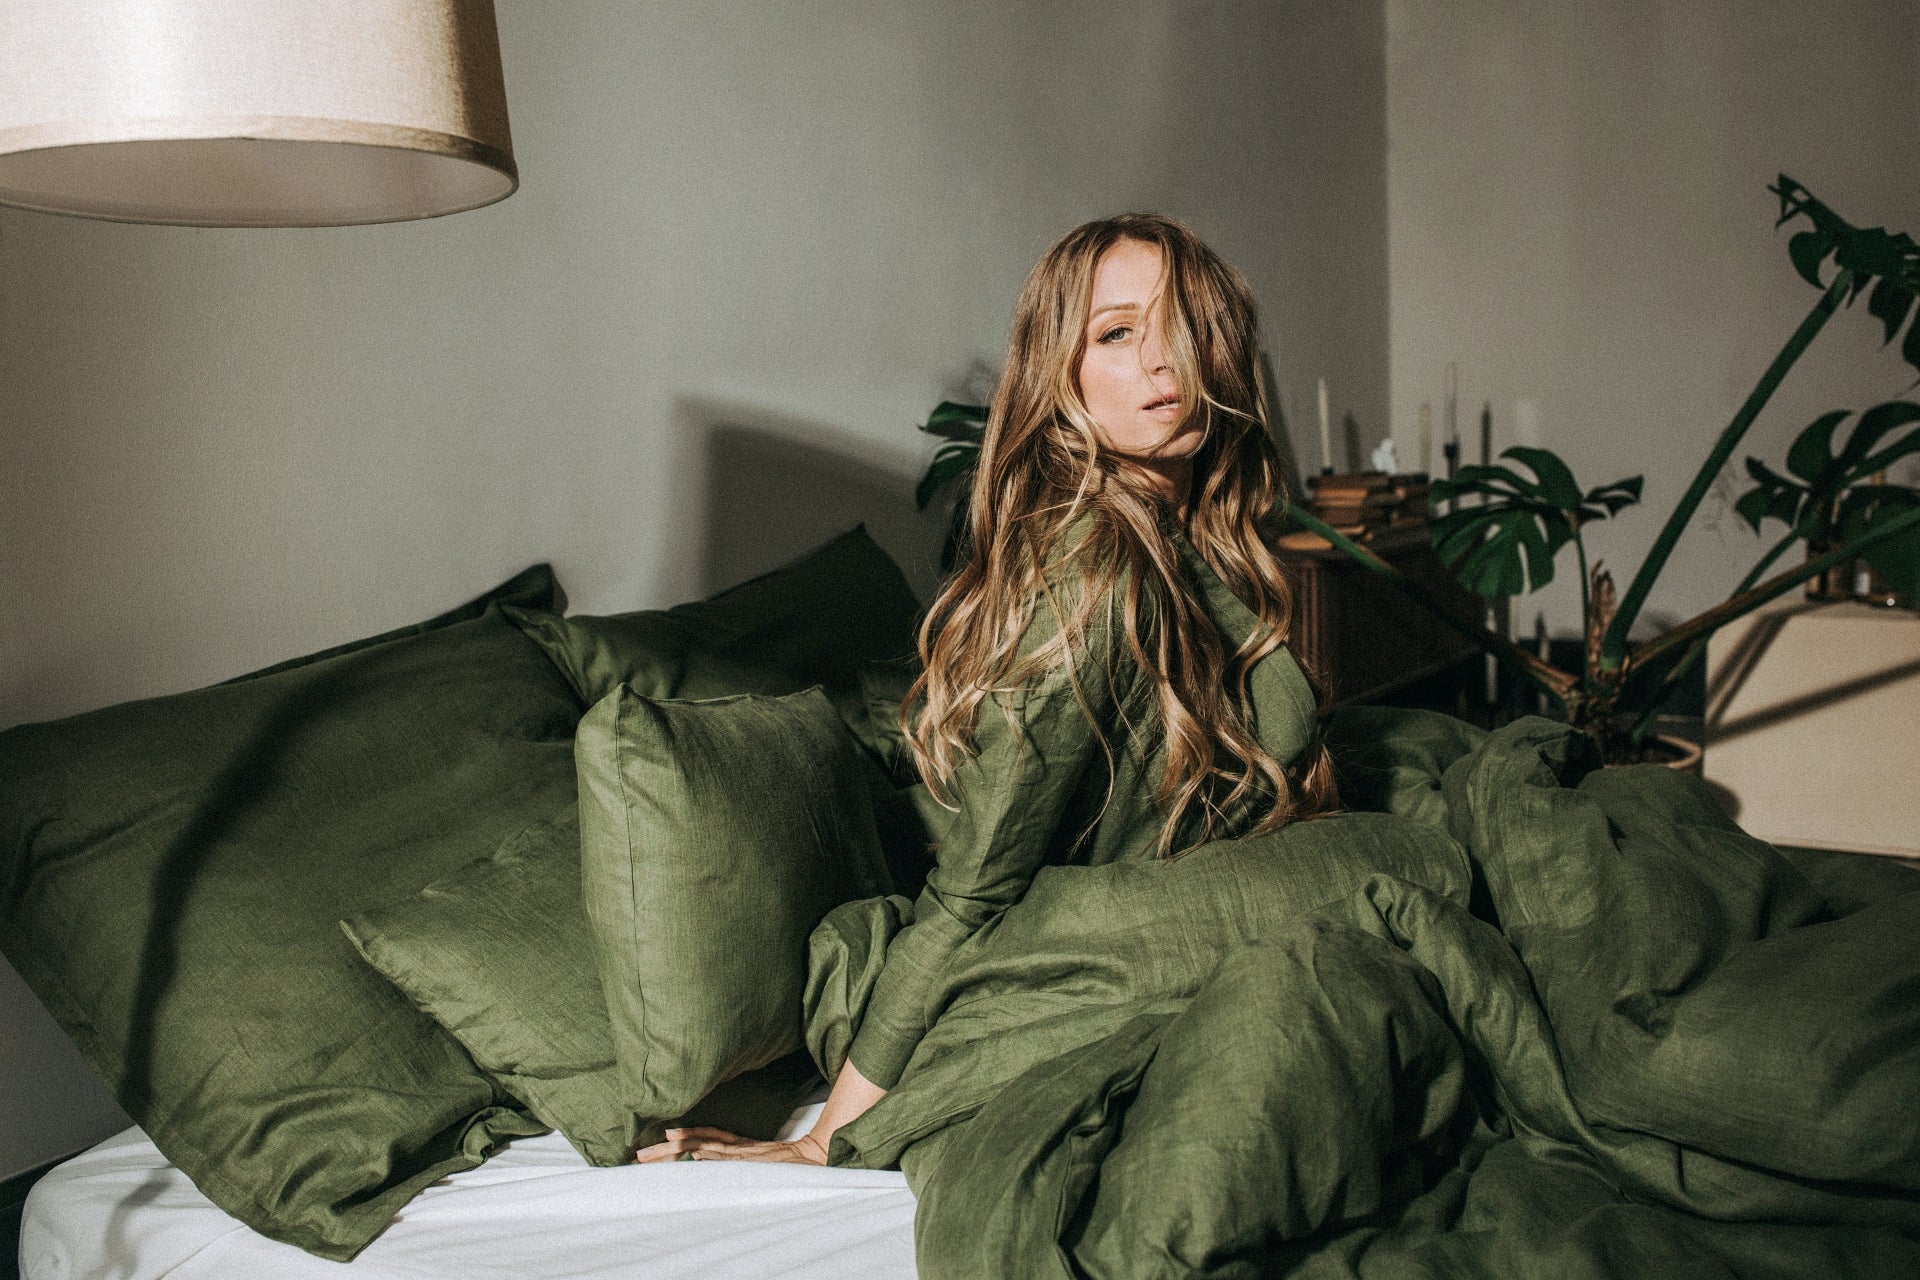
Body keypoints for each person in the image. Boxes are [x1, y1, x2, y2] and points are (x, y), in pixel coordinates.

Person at [636, 213, 1337, 1165]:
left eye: (1183, 327)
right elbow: (974, 889)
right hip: (1098, 933)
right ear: (1060, 374)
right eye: (1116, 333)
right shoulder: (1093, 574)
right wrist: (824, 1140)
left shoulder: (1193, 533)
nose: (1162, 361)